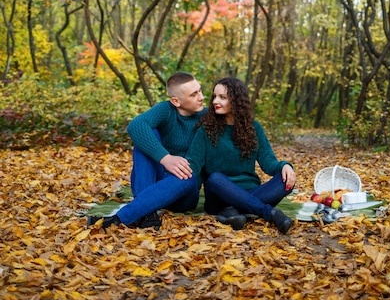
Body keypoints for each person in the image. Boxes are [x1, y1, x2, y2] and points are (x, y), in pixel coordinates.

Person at [87, 71, 205, 230]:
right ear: (176, 101)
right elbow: (136, 125)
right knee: (147, 135)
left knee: (187, 176)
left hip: (183, 191)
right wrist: (166, 158)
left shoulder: (207, 115)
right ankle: (148, 215)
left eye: (200, 91)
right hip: (156, 181)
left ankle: (119, 219)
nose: (201, 97)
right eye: (194, 94)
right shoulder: (166, 109)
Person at [185, 76, 296, 233]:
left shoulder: (254, 128)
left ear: (236, 100)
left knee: (286, 181)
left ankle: (234, 212)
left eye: (222, 97)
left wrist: (285, 166)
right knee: (215, 178)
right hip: (218, 195)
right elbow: (193, 164)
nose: (216, 101)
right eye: (214, 96)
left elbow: (269, 162)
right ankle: (269, 213)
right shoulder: (206, 130)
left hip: (250, 190)